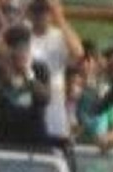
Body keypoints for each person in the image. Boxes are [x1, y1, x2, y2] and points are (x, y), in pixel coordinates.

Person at [24, 0, 85, 144]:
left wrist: (59, 17)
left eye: (44, 10)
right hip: (27, 104)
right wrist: (22, 13)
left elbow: (78, 53)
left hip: (54, 106)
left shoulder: (59, 36)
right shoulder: (23, 33)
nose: (40, 14)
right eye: (36, 9)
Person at [0, 25, 51, 146]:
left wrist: (28, 74)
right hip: (5, 138)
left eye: (24, 48)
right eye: (15, 48)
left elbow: (45, 98)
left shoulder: (40, 69)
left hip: (34, 138)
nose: (19, 52)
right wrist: (8, 74)